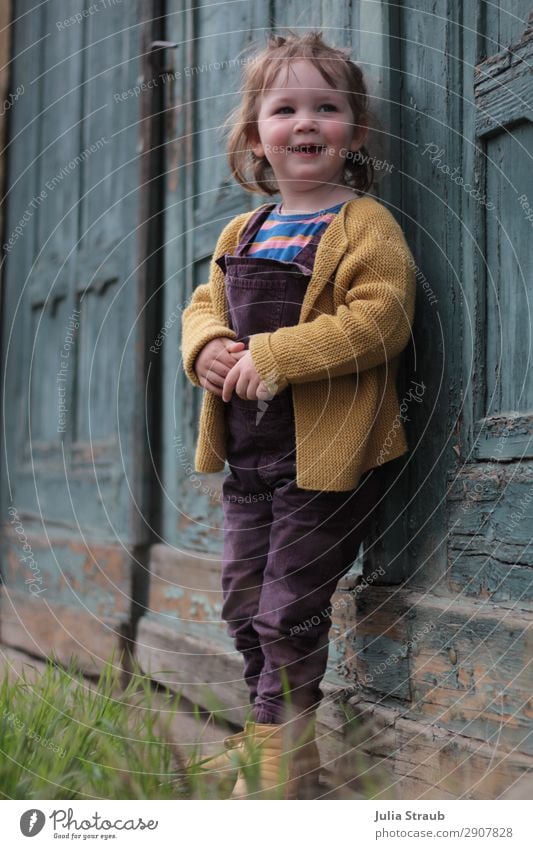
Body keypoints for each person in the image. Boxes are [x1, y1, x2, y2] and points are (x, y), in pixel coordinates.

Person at [181, 29, 416, 799]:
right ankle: (273, 736)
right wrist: (208, 346)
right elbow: (201, 304)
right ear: (256, 136)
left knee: (289, 605)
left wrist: (276, 356)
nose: (306, 122)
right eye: (286, 108)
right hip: (251, 455)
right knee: (243, 600)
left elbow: (380, 319)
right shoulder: (239, 231)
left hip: (328, 459)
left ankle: (278, 752)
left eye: (326, 106)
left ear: (356, 130)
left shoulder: (362, 225)